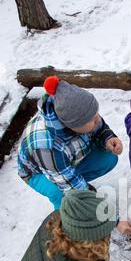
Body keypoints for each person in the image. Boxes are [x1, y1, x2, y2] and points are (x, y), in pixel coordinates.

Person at [17, 76, 123, 210]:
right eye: (92, 119)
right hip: (38, 172)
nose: (97, 119)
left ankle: (76, 182)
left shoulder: (79, 116)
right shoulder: (48, 147)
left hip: (63, 161)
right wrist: (104, 211)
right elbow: (68, 184)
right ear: (73, 125)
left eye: (96, 113)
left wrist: (107, 137)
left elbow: (99, 126)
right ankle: (64, 218)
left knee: (108, 158)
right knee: (61, 194)